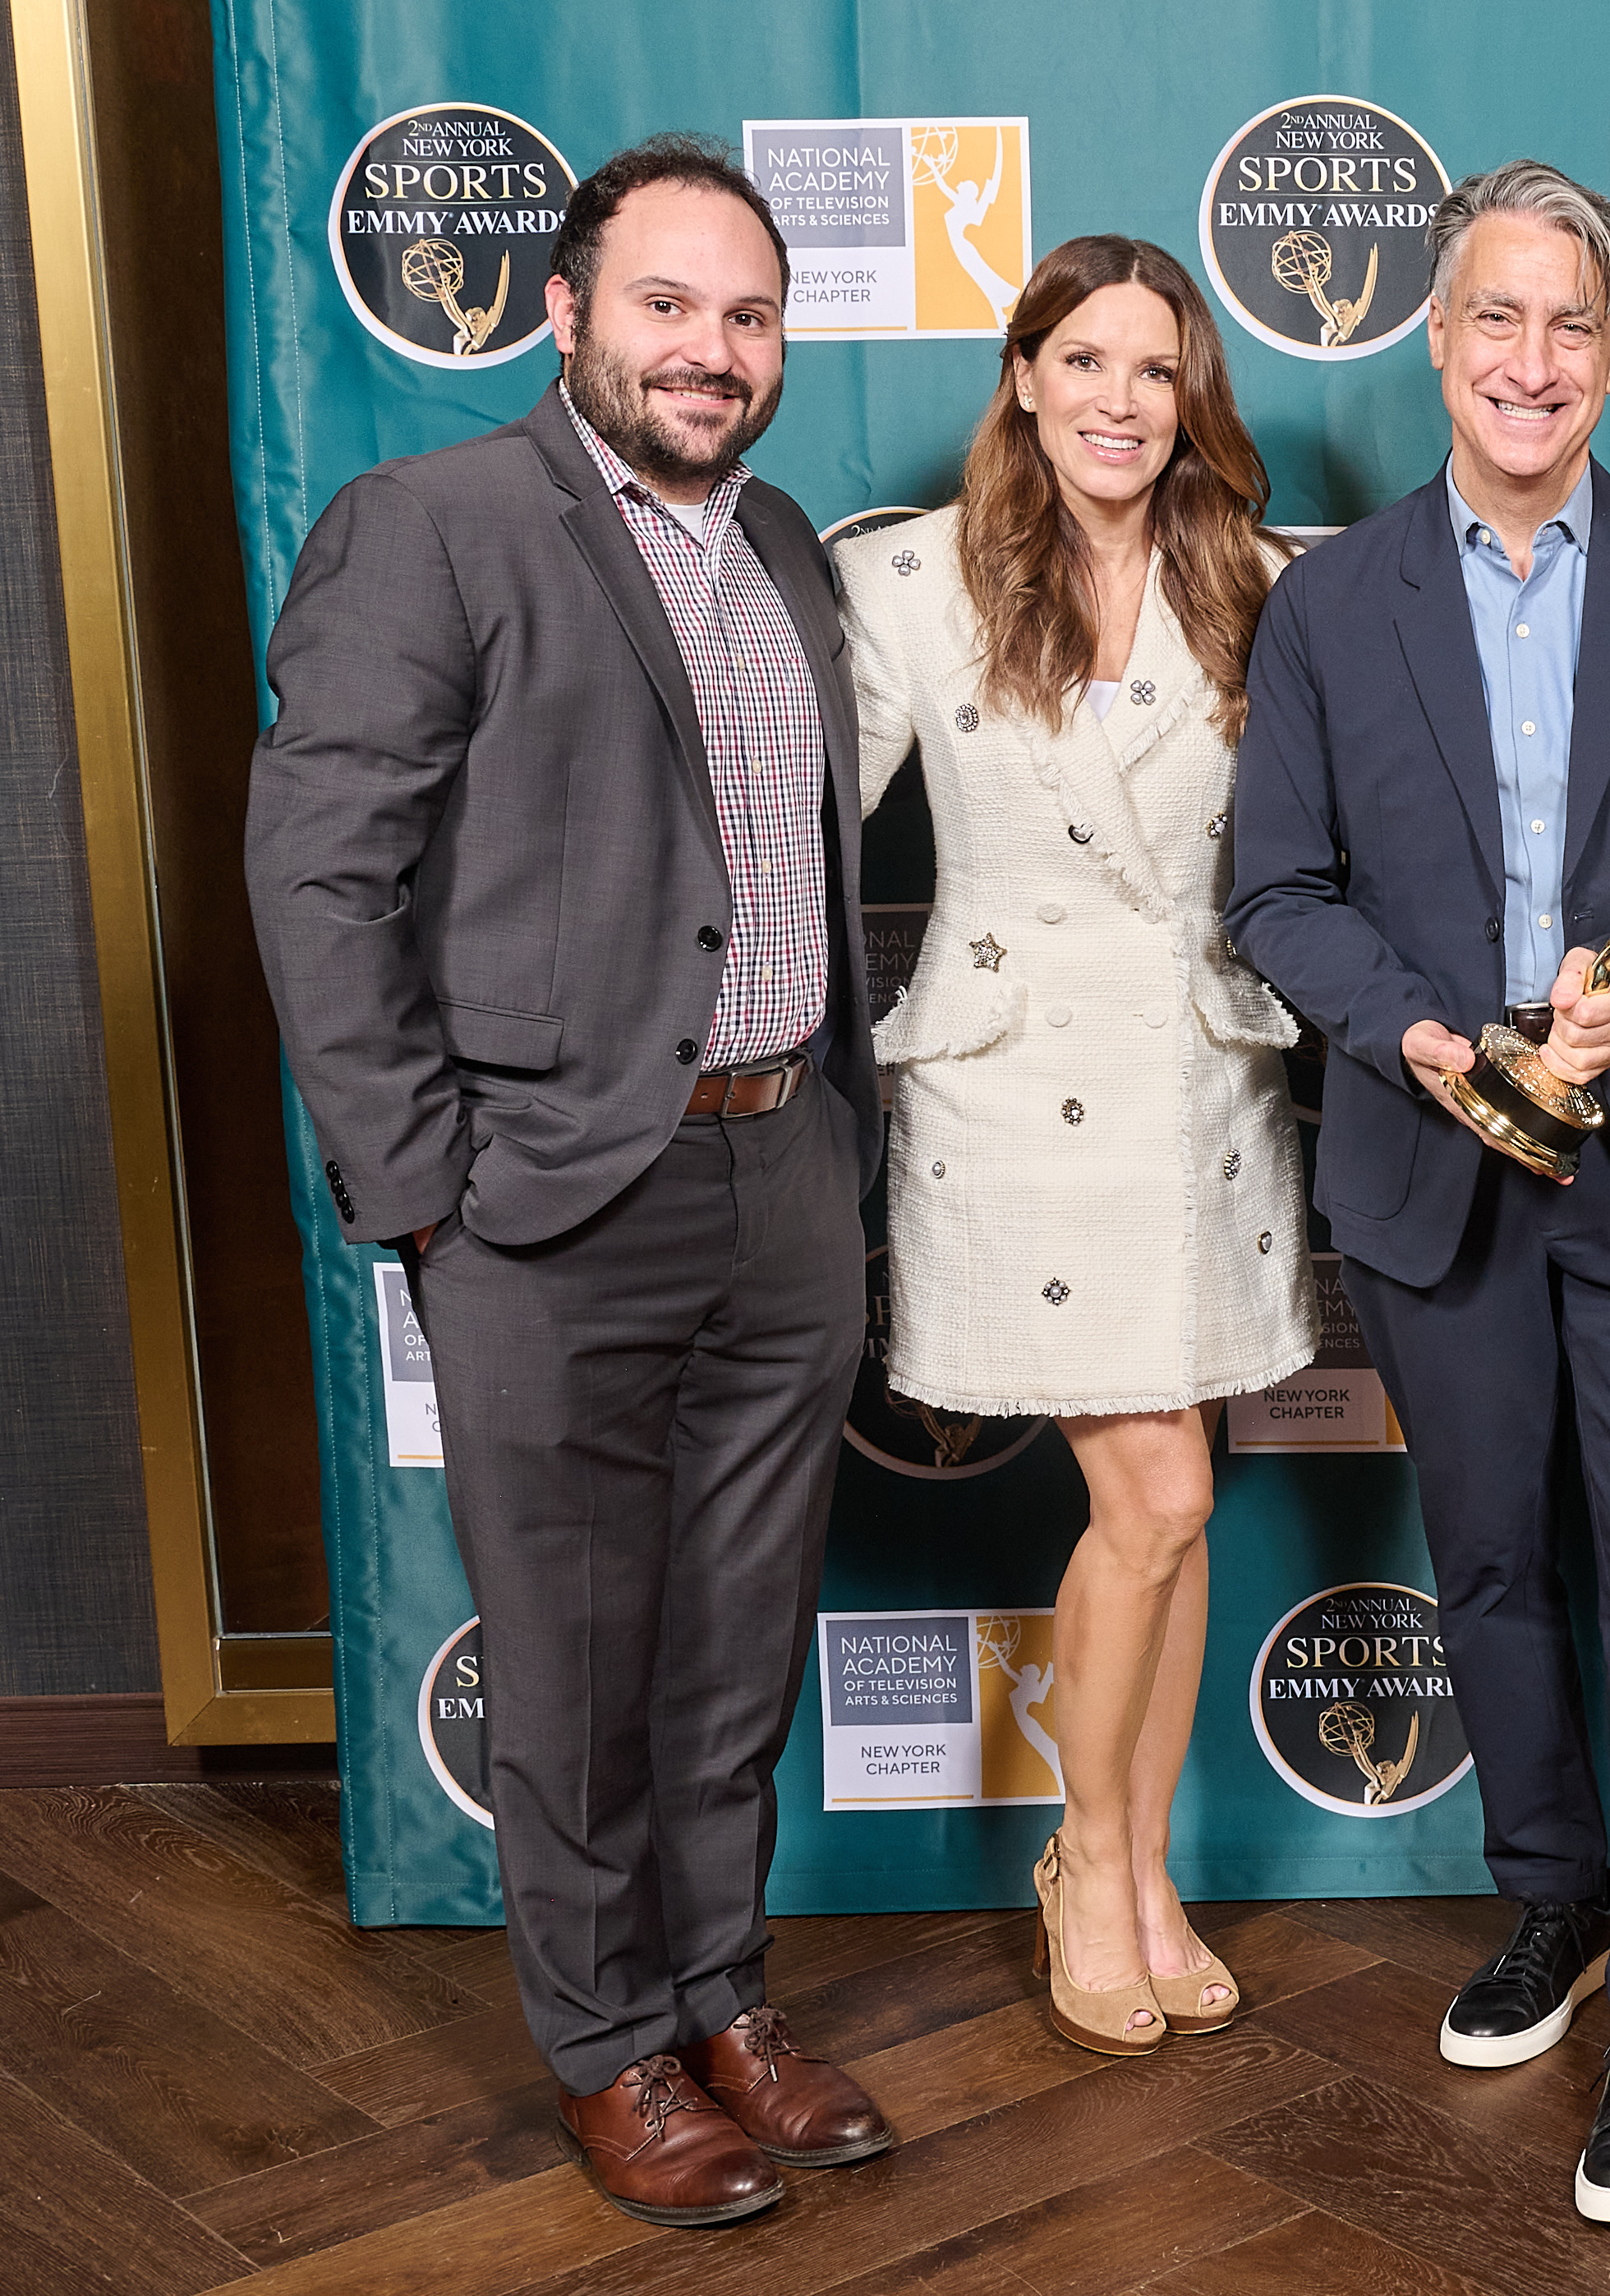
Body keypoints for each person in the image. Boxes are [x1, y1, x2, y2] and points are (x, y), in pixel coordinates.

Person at [246, 136, 890, 2229]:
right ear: (566, 315)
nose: (712, 349)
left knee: (736, 1646)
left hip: (784, 1169)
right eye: (667, 305)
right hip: (547, 1201)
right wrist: (425, 1190)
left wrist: (834, 1148)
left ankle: (724, 2001)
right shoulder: (430, 526)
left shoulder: (779, 539)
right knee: (575, 1654)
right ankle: (612, 2046)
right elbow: (321, 877)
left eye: (749, 315)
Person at [1226, 159, 1610, 2223]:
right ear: (1436, 338)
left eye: (1574, 323)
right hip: (1432, 1155)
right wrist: (1422, 1034)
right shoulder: (1331, 606)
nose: (1533, 358)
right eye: (1499, 316)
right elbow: (1277, 892)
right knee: (1488, 1562)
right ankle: (1555, 1896)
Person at [839, 236, 1314, 2057]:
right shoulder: (909, 581)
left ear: (1195, 398)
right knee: (1164, 1498)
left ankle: (1143, 1869)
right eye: (1086, 360)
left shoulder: (1256, 581)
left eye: (1157, 367)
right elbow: (789, 823)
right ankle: (1089, 1858)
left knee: (1173, 1517)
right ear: (1024, 377)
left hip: (1197, 1091)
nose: (1121, 399)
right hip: (1009, 1089)